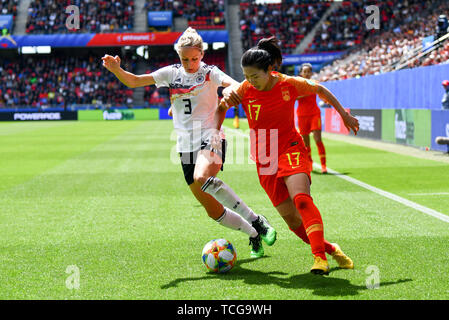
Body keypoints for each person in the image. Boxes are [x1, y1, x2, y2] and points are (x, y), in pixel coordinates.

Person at [101, 28, 276, 258]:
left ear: (202, 54)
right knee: (212, 210)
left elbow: (233, 84)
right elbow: (134, 81)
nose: (190, 63)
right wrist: (116, 69)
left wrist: (231, 91)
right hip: (185, 146)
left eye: (194, 58)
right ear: (179, 56)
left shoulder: (209, 72)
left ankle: (257, 221)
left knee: (202, 177)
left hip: (210, 135)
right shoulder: (171, 74)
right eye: (185, 59)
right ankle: (253, 235)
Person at [213, 36, 359, 275]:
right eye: (246, 76)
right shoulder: (243, 89)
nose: (249, 81)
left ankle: (319, 258)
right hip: (264, 158)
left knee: (301, 199)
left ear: (270, 70)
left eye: (254, 76)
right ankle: (331, 249)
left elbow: (320, 89)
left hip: (291, 148)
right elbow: (221, 109)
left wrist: (344, 115)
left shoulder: (289, 84)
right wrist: (216, 132)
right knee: (292, 222)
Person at [296, 63, 327, 174]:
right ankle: (309, 163)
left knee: (318, 139)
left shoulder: (315, 83)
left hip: (314, 114)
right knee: (306, 143)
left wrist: (325, 99)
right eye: (305, 72)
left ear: (311, 73)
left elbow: (322, 93)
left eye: (309, 71)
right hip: (302, 115)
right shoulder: (297, 85)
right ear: (301, 73)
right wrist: (307, 92)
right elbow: (294, 97)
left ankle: (323, 165)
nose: (307, 73)